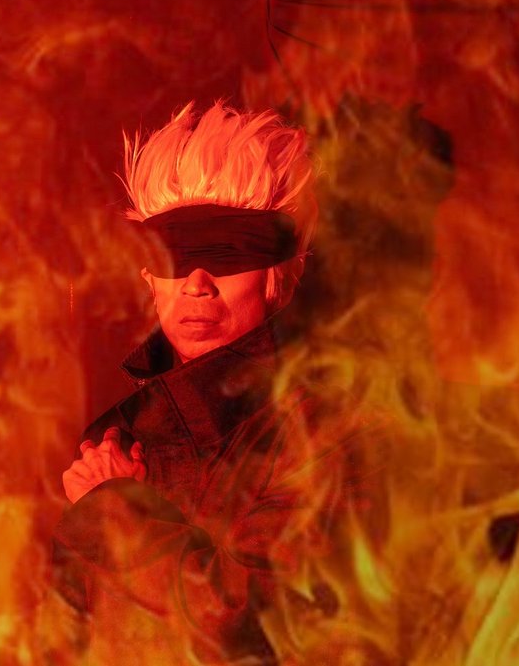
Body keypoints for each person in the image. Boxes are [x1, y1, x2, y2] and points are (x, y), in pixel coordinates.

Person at [49, 101, 366, 663]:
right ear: (150, 277)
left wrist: (118, 509)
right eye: (176, 254)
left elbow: (254, 631)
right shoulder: (111, 440)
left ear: (277, 276)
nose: (196, 283)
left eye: (226, 252)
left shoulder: (325, 431)